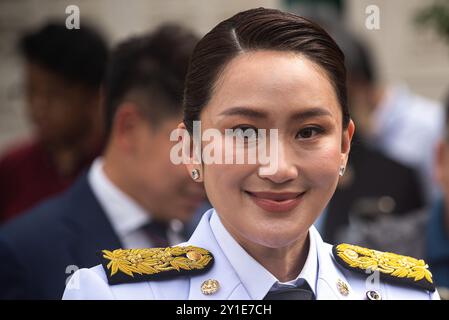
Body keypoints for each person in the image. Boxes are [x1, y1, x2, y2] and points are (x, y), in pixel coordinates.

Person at [63, 8, 439, 300]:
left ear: (344, 145)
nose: (278, 169)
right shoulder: (112, 293)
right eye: (245, 132)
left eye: (309, 132)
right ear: (192, 148)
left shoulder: (404, 291)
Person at [0, 24, 205, 299]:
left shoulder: (212, 229)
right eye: (191, 146)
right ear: (129, 128)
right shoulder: (25, 253)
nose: (204, 170)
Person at [0, 22, 108, 223]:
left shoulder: (115, 170)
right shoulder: (12, 169)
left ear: (94, 95)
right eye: (31, 91)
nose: (38, 106)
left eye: (54, 94)